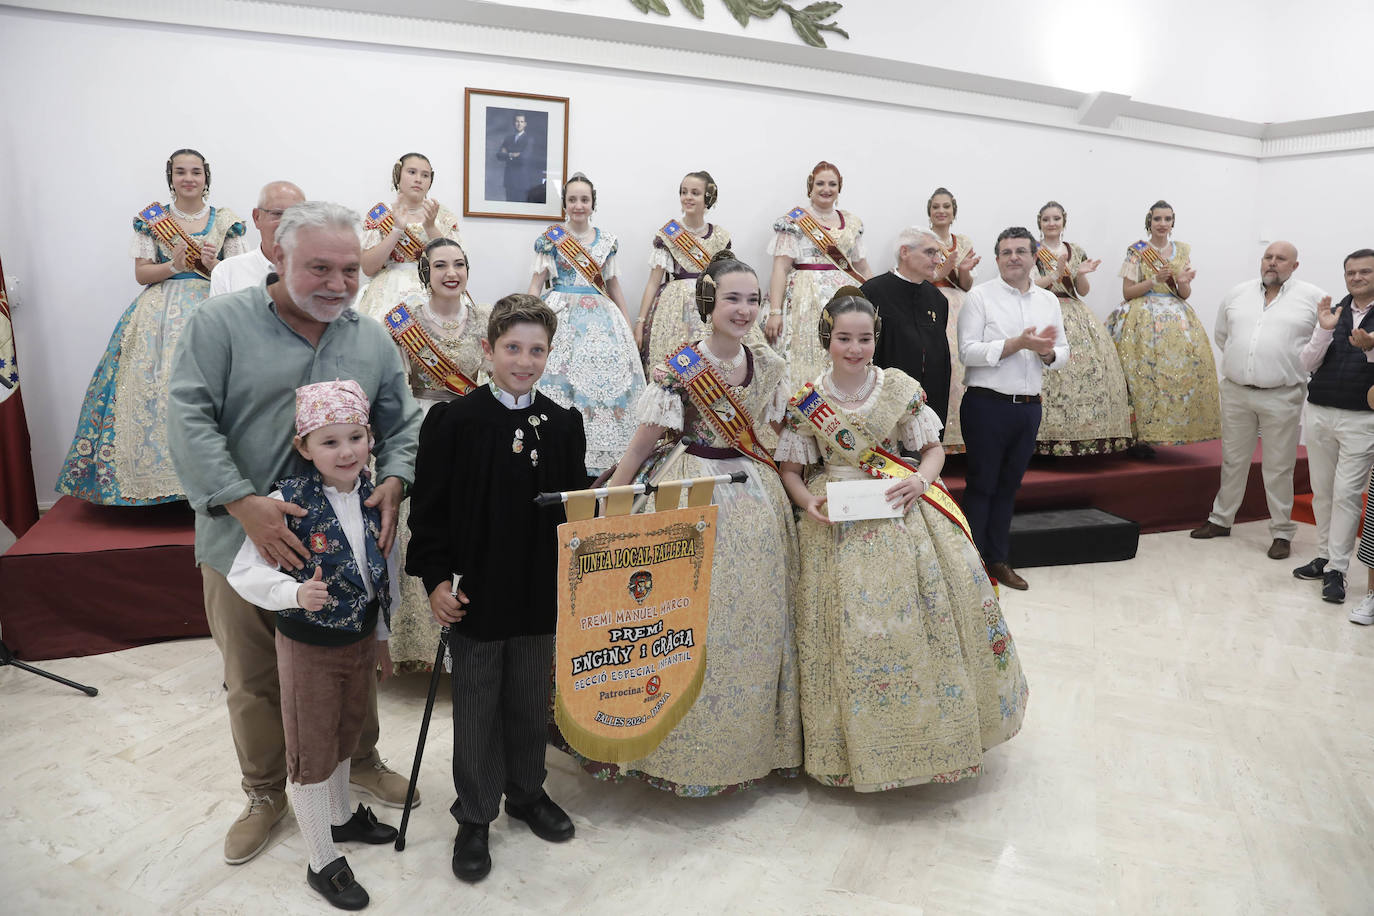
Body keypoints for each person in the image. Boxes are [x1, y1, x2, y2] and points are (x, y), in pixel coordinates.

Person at [168, 201, 422, 866]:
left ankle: (359, 761)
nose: (338, 283)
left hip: (345, 548)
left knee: (350, 666)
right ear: (278, 257)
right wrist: (240, 502)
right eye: (319, 267)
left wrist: (394, 478)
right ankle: (263, 794)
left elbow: (403, 422)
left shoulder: (369, 338)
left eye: (349, 268)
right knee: (252, 678)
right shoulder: (220, 324)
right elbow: (188, 415)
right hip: (240, 539)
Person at [777, 290, 1028, 790]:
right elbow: (791, 469)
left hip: (899, 506)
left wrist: (919, 481)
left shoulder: (898, 388)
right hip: (834, 520)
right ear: (828, 338)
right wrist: (807, 503)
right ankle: (845, 747)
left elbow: (932, 451)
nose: (855, 349)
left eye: (865, 338)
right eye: (845, 338)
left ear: (876, 338)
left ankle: (930, 735)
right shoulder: (808, 399)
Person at [578, 250, 802, 795]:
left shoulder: (770, 364)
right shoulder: (680, 365)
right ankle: (675, 743)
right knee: (686, 614)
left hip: (752, 492)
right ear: (709, 302)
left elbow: (774, 431)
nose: (745, 310)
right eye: (733, 299)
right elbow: (644, 442)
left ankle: (747, 742)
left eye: (753, 300)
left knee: (751, 616)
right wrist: (616, 490)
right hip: (689, 488)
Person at [406, 294, 586, 882]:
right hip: (475, 592)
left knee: (530, 700)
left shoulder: (564, 424)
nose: (524, 360)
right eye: (513, 348)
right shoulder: (455, 422)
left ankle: (527, 792)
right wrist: (435, 581)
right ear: (488, 350)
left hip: (538, 593)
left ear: (549, 355)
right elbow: (428, 514)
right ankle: (476, 813)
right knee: (480, 705)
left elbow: (570, 516)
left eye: (537, 350)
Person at [226, 380, 400, 910]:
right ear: (304, 447)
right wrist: (293, 593)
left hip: (358, 639)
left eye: (356, 437)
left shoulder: (375, 495)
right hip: (309, 648)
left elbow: (382, 569)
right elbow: (243, 573)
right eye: (329, 442)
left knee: (347, 732)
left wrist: (383, 638)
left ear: (370, 439)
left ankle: (341, 818)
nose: (346, 451)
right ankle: (321, 861)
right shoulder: (285, 502)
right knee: (311, 752)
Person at [58, 148, 248, 504]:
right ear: (170, 177)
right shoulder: (153, 220)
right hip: (158, 314)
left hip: (213, 309)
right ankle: (155, 487)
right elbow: (142, 273)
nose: (188, 178)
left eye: (196, 172)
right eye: (181, 172)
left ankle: (217, 481)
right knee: (154, 389)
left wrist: (214, 264)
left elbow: (238, 274)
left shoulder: (225, 220)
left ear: (206, 178)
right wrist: (175, 265)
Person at [384, 238, 490, 670]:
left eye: (460, 264)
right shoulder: (403, 321)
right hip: (419, 426)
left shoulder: (484, 319)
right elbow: (394, 387)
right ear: (425, 272)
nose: (452, 272)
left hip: (469, 425)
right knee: (419, 523)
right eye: (441, 265)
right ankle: (416, 646)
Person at [1190, 241, 1326, 560]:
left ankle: (1281, 532)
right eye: (1268, 257)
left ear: (1294, 266)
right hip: (1237, 391)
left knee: (1278, 466)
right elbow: (1223, 336)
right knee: (1233, 460)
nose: (1272, 263)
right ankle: (1221, 520)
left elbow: (1322, 342)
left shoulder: (1313, 298)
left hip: (1283, 394)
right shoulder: (1237, 294)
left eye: (1281, 259)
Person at [957, 228, 1067, 591]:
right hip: (987, 405)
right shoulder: (979, 297)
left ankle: (999, 559)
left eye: (1021, 251)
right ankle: (972, 566)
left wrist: (1046, 353)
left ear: (1035, 256)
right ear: (998, 258)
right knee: (982, 486)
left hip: (1028, 408)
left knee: (1008, 487)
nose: (1013, 257)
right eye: (1006, 252)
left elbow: (1061, 352)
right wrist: (1016, 343)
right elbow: (968, 352)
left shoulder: (1048, 301)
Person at [527, 172, 646, 475]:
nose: (578, 205)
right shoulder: (551, 240)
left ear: (593, 203)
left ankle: (603, 457)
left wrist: (630, 325)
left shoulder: (607, 242)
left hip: (603, 319)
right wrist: (527, 320)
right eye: (572, 200)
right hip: (561, 315)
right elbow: (537, 284)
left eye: (584, 199)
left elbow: (614, 285)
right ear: (565, 203)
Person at [1291, 249, 1374, 604]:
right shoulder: (1334, 312)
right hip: (1321, 410)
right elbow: (1307, 361)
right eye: (1351, 272)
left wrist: (1371, 349)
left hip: (1362, 417)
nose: (1356, 278)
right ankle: (1324, 555)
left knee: (1346, 494)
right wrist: (1324, 331)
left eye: (1365, 272)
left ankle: (1338, 569)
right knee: (1322, 491)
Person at [1108, 200, 1221, 453]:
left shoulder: (1182, 250)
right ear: (1150, 220)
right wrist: (1153, 280)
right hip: (1141, 320)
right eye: (1157, 219)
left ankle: (1170, 431)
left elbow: (1184, 293)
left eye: (1167, 219)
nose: (1162, 224)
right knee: (1142, 377)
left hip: (1177, 319)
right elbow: (1127, 292)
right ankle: (1138, 435)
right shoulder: (1136, 250)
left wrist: (1182, 282)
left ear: (1173, 222)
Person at [1031, 201, 1132, 456]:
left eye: (1056, 218)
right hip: (1046, 310)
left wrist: (1081, 273)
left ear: (1064, 221)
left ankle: (1087, 436)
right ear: (1039, 223)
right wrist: (1054, 274)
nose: (1051, 223)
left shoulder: (1075, 250)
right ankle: (1043, 439)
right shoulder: (1032, 249)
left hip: (1076, 313)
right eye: (1046, 219)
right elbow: (1033, 284)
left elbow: (1083, 291)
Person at [767, 161, 872, 388]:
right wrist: (775, 312)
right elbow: (780, 268)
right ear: (810, 187)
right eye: (820, 183)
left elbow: (862, 267)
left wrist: (877, 302)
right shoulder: (794, 221)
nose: (826, 189)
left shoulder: (852, 223)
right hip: (803, 300)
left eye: (832, 184)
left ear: (839, 188)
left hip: (844, 299)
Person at [634, 170, 734, 373]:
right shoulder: (668, 234)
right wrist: (640, 322)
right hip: (674, 311)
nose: (687, 197)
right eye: (684, 192)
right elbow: (653, 281)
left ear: (708, 197)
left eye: (695, 192)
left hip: (709, 306)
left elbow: (728, 279)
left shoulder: (721, 237)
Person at [862, 227, 952, 435]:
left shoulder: (938, 299)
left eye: (938, 253)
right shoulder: (872, 293)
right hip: (884, 407)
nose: (938, 260)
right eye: (930, 252)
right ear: (904, 252)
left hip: (929, 406)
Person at [355, 152, 462, 321]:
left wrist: (430, 226)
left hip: (435, 290)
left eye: (425, 175)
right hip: (388, 296)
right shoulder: (380, 214)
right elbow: (368, 268)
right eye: (412, 172)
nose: (418, 179)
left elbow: (456, 264)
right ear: (398, 175)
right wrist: (397, 229)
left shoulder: (443, 216)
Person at [926, 187, 981, 452]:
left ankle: (960, 436)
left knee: (959, 366)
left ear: (953, 211)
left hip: (958, 305)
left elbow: (966, 285)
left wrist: (965, 271)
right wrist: (942, 269)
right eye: (936, 206)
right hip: (929, 301)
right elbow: (917, 276)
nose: (941, 211)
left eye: (946, 206)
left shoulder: (964, 242)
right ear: (929, 211)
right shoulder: (920, 239)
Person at [209, 181, 306, 296]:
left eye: (295, 215)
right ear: (257, 217)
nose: (286, 222)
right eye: (277, 214)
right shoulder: (227, 271)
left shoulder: (319, 273)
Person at [496, 113, 541, 203]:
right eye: (517, 121)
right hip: (509, 180)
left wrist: (508, 153)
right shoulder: (508, 138)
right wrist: (512, 155)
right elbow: (499, 155)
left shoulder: (529, 139)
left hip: (522, 182)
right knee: (509, 208)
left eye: (521, 121)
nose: (519, 124)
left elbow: (524, 158)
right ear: (513, 123)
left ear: (525, 124)